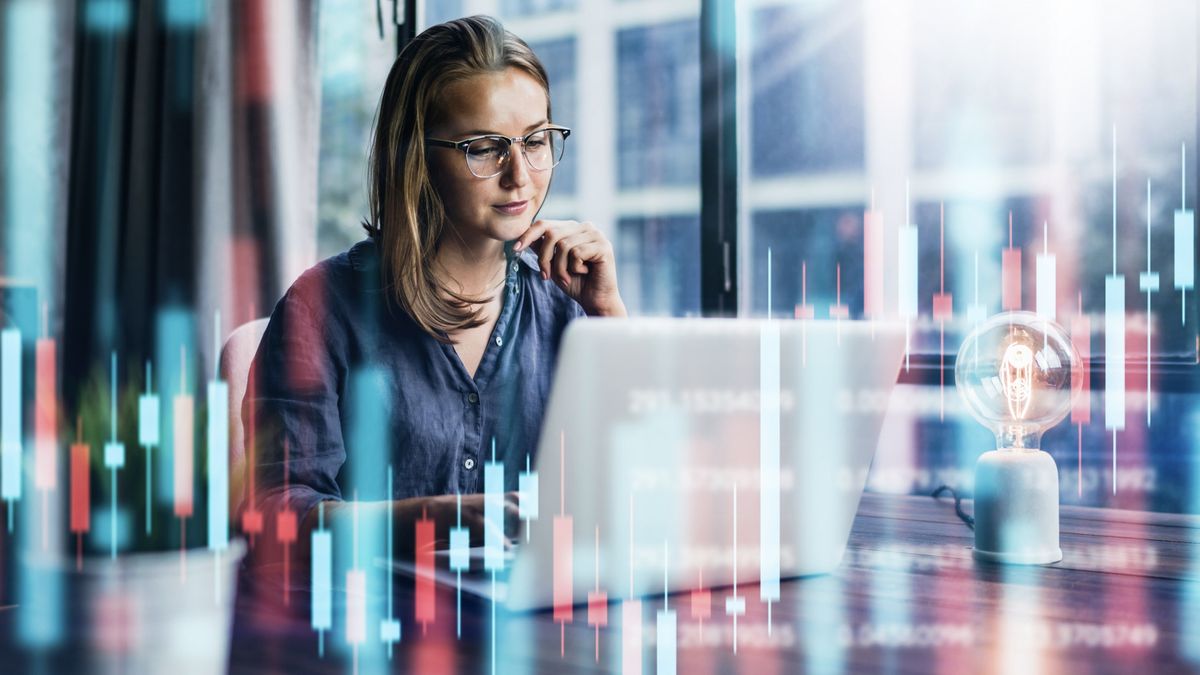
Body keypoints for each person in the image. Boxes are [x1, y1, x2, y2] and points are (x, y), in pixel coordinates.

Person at [242, 15, 625, 560]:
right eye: (484, 147)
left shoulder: (568, 307)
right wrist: (424, 521)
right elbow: (273, 513)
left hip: (529, 627)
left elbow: (643, 490)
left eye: (536, 141)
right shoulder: (322, 307)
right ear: (416, 156)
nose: (520, 174)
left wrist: (609, 314)